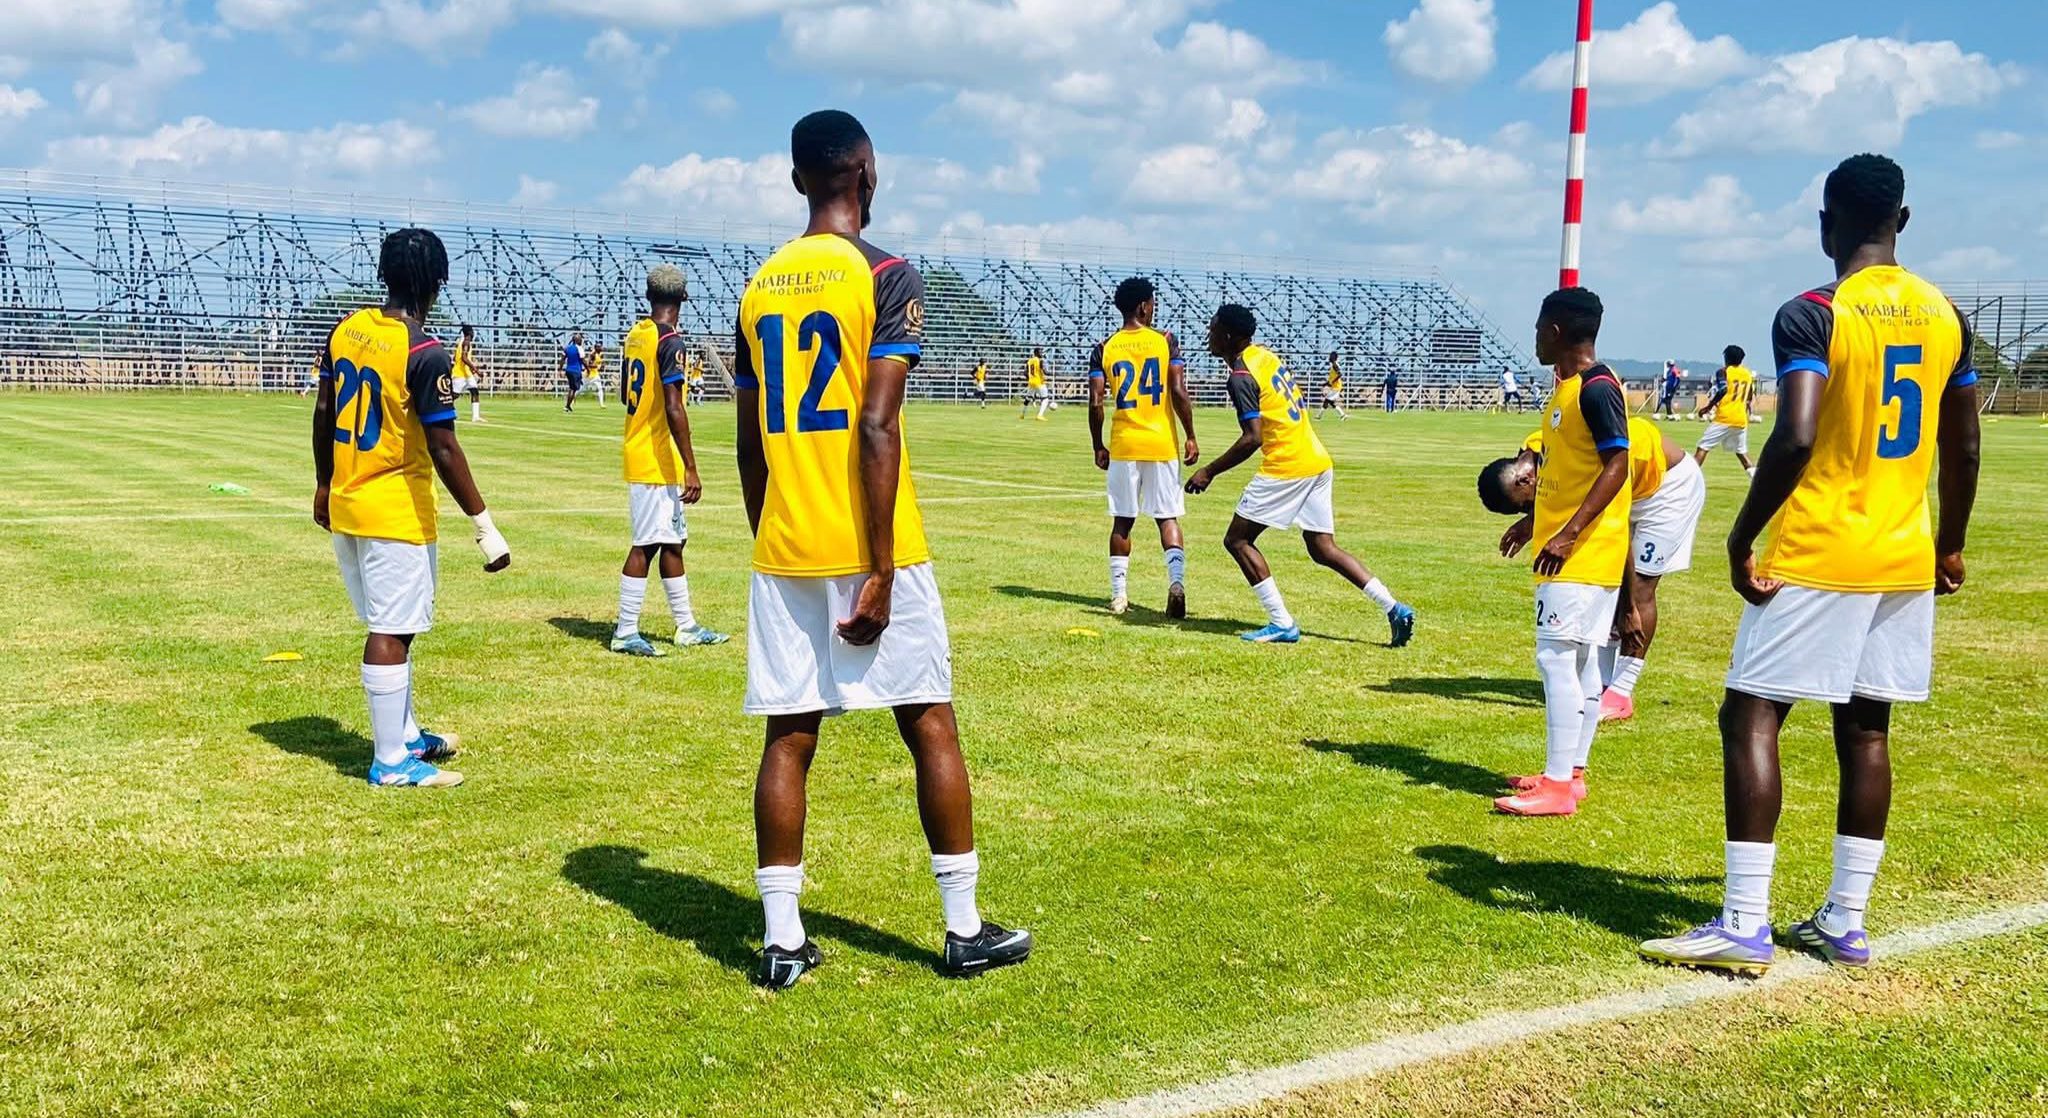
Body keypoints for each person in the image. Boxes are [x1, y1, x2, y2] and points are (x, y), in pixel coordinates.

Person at [1640, 153, 1980, 974]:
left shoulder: (1813, 313)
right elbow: (1964, 445)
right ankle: (1844, 920)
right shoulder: (1947, 316)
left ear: (1826, 224)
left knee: (1751, 715)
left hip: (1823, 548)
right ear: (1903, 221)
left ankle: (1743, 923)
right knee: (1866, 730)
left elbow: (1794, 435)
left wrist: (1739, 539)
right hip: (1902, 553)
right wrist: (1950, 542)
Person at [734, 109, 1033, 990]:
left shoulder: (758, 286)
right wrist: (880, 567)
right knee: (929, 721)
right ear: (868, 172)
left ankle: (782, 942)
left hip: (785, 545)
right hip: (873, 541)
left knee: (789, 737)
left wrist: (770, 531)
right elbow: (876, 423)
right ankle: (963, 929)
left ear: (798, 179)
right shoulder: (887, 274)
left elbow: (750, 443)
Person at [311, 227, 511, 789]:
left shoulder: (346, 330)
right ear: (436, 282)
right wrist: (485, 527)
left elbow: (324, 412)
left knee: (398, 624)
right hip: (394, 510)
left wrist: (324, 484)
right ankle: (391, 762)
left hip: (350, 502)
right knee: (391, 630)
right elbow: (444, 447)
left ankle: (404, 735)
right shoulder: (424, 352)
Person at [1184, 304, 1416, 646]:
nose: (1208, 335)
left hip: (1288, 464)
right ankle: (1394, 608)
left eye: (1213, 329)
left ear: (1229, 336)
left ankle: (1281, 623)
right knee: (1322, 548)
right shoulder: (1265, 357)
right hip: (1316, 459)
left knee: (1237, 540)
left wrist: (1209, 471)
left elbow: (1253, 438)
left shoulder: (1241, 375)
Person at [1488, 287, 1630, 818]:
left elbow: (1618, 465)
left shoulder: (1596, 388)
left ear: (1555, 331)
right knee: (1583, 662)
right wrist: (1534, 524)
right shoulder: (1568, 390)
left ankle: (1556, 786)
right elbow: (1570, 473)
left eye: (1537, 329)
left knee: (1555, 659)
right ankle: (1570, 774)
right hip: (1579, 551)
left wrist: (1568, 533)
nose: (1534, 338)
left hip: (1582, 554)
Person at [1479, 413, 1708, 731]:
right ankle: (1602, 683)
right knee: (1611, 586)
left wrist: (1628, 609)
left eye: (1524, 505)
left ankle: (1621, 693)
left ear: (1524, 480)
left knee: (1638, 588)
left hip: (1668, 490)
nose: (1531, 509)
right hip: (1628, 487)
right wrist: (1530, 524)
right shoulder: (1535, 451)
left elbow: (1616, 531)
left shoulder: (1563, 453)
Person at [612, 265, 730, 657]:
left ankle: (686, 626)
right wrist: (691, 467)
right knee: (646, 545)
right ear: (684, 297)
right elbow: (674, 406)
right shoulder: (670, 340)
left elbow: (625, 393)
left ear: (649, 296)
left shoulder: (636, 334)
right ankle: (625, 631)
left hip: (644, 450)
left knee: (674, 541)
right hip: (655, 458)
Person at [1087, 277, 1198, 618]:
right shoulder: (1165, 340)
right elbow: (1177, 390)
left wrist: (1098, 445)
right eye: (1153, 302)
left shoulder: (1104, 347)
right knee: (1167, 517)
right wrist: (1190, 434)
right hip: (1161, 442)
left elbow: (1096, 401)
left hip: (1124, 444)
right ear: (1143, 306)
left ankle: (1119, 595)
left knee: (1122, 521)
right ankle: (1176, 582)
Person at [1696, 344, 1758, 478]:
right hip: (1741, 420)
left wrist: (1708, 407)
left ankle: (1688, 478)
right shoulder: (1747, 374)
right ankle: (1758, 481)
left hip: (1724, 417)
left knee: (1703, 447)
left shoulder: (1723, 372)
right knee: (1741, 453)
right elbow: (1749, 396)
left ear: (1726, 358)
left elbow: (1723, 390)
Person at [454, 324, 486, 423]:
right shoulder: (466, 342)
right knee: (454, 395)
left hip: (466, 374)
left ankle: (475, 416)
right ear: (469, 333)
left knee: (474, 391)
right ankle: (443, 410)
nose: (473, 333)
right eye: (472, 331)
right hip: (460, 374)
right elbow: (464, 358)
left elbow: (456, 358)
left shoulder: (461, 342)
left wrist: (471, 369)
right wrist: (476, 370)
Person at [1021, 347, 1051, 421]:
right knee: (1045, 399)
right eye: (1040, 352)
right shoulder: (1040, 361)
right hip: (1039, 382)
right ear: (1036, 353)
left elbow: (1025, 372)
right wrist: (1051, 373)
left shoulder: (1029, 361)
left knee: (1027, 398)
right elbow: (1045, 372)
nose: (1041, 353)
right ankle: (1039, 415)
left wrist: (1030, 378)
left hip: (1031, 382)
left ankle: (1022, 414)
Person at [1317, 351, 1349, 420]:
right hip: (1335, 387)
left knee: (1326, 400)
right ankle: (1343, 415)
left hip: (1336, 387)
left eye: (1330, 356)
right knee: (1331, 402)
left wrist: (1333, 381)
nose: (1329, 357)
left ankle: (1319, 416)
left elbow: (1340, 374)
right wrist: (1325, 384)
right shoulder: (1333, 365)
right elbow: (1331, 379)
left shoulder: (1335, 365)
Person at [561, 331, 587, 411]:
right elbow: (583, 360)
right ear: (577, 340)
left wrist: (560, 369)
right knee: (573, 389)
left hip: (568, 370)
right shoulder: (579, 349)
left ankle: (568, 405)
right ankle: (567, 406)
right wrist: (588, 369)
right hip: (576, 371)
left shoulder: (567, 348)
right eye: (580, 339)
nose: (581, 341)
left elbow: (562, 359)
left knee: (572, 388)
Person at [588, 341, 608, 408]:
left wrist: (602, 366)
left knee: (600, 388)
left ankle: (601, 404)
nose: (601, 348)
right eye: (599, 347)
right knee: (581, 388)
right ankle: (572, 399)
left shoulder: (601, 354)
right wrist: (597, 366)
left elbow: (601, 363)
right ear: (596, 348)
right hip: (589, 374)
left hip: (596, 374)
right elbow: (589, 364)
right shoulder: (593, 354)